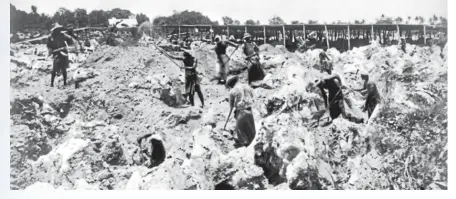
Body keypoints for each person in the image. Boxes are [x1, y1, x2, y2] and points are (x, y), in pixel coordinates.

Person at [225, 76, 256, 148]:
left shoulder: (232, 91)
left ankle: (244, 149)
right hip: (250, 111)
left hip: (241, 113)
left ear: (230, 84)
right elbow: (252, 96)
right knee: (251, 132)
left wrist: (226, 122)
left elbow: (231, 108)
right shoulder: (247, 86)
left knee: (241, 133)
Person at [46, 23, 75, 87]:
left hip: (63, 52)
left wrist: (69, 46)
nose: (58, 31)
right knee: (54, 69)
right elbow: (48, 45)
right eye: (56, 30)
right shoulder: (50, 37)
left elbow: (70, 40)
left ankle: (65, 82)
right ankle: (52, 83)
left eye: (58, 29)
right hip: (56, 53)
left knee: (64, 68)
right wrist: (50, 50)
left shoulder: (62, 35)